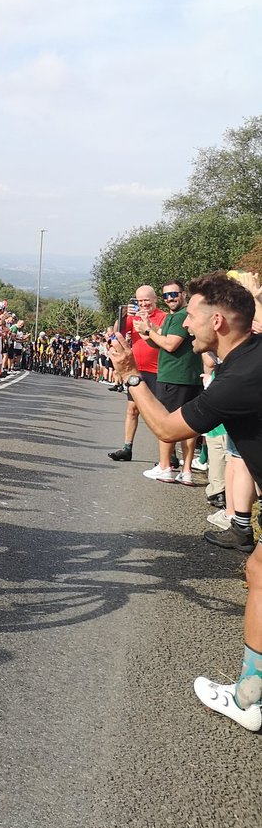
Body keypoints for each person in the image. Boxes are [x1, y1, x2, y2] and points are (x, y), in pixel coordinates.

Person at [108, 272, 262, 732]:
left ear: (217, 321)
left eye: (190, 316)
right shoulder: (248, 359)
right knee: (256, 571)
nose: (184, 325)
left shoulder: (239, 380)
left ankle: (249, 699)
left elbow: (169, 430)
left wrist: (129, 375)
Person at [136, 280, 203, 485]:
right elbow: (160, 339)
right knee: (190, 425)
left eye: (174, 294)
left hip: (174, 378)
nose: (170, 299)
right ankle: (187, 470)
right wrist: (149, 328)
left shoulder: (181, 316)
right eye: (166, 296)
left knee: (166, 423)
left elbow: (170, 344)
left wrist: (149, 331)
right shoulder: (179, 317)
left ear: (183, 294)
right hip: (189, 377)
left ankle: (165, 467)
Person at [108, 285, 167, 462]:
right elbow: (118, 331)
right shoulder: (133, 317)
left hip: (157, 369)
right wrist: (124, 314)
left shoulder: (163, 317)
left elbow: (165, 335)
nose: (143, 304)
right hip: (137, 370)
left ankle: (167, 454)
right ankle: (127, 447)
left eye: (146, 300)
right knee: (132, 410)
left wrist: (148, 324)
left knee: (161, 412)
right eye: (139, 301)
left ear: (155, 299)